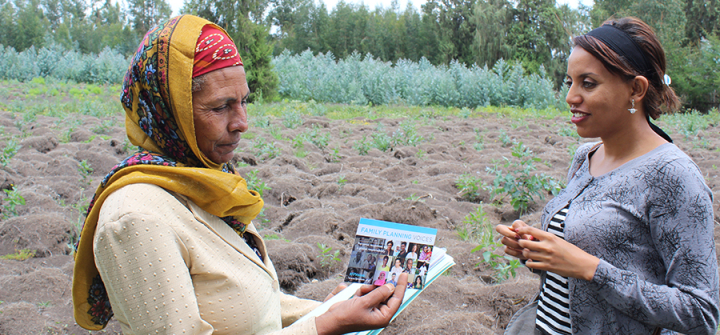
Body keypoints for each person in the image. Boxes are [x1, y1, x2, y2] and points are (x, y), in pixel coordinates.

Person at [71, 15, 407, 335]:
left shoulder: (204, 181)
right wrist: (324, 327)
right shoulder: (135, 219)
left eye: (244, 101)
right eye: (220, 107)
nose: (241, 122)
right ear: (170, 112)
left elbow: (251, 309)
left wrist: (329, 309)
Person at [496, 17, 719, 335]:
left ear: (636, 89)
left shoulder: (674, 176)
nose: (571, 97)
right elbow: (573, 268)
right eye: (569, 82)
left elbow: (701, 313)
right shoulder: (585, 156)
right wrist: (538, 250)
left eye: (588, 83)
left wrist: (590, 269)